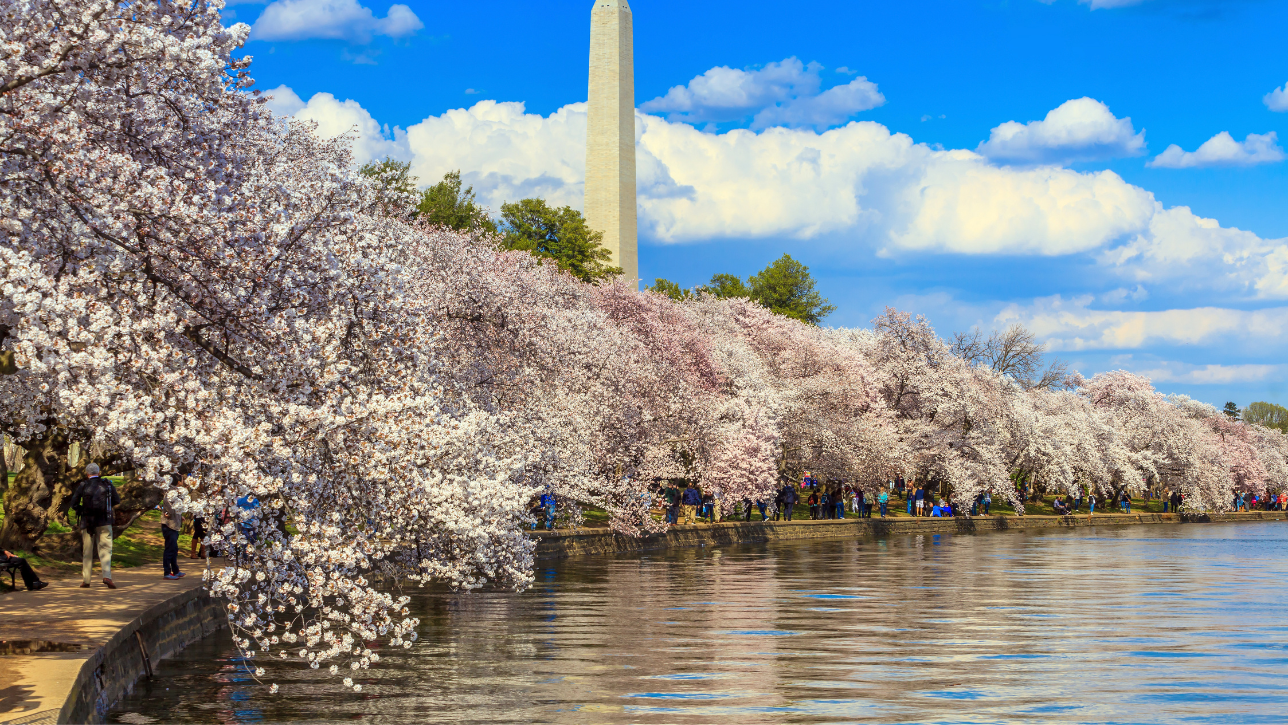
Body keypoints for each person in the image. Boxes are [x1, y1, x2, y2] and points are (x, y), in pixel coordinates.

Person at [69, 463, 120, 589]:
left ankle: (86, 580)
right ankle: (107, 576)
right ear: (99, 472)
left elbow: (73, 503)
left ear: (87, 474)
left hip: (88, 522)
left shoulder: (83, 485)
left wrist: (82, 510)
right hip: (105, 521)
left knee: (87, 551)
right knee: (106, 550)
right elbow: (117, 500)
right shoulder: (107, 484)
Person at [160, 498, 186, 580]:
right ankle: (167, 572)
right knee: (170, 549)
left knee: (174, 549)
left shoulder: (177, 493)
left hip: (175, 526)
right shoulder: (170, 493)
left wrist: (180, 516)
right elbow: (167, 506)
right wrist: (167, 513)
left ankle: (176, 570)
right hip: (169, 525)